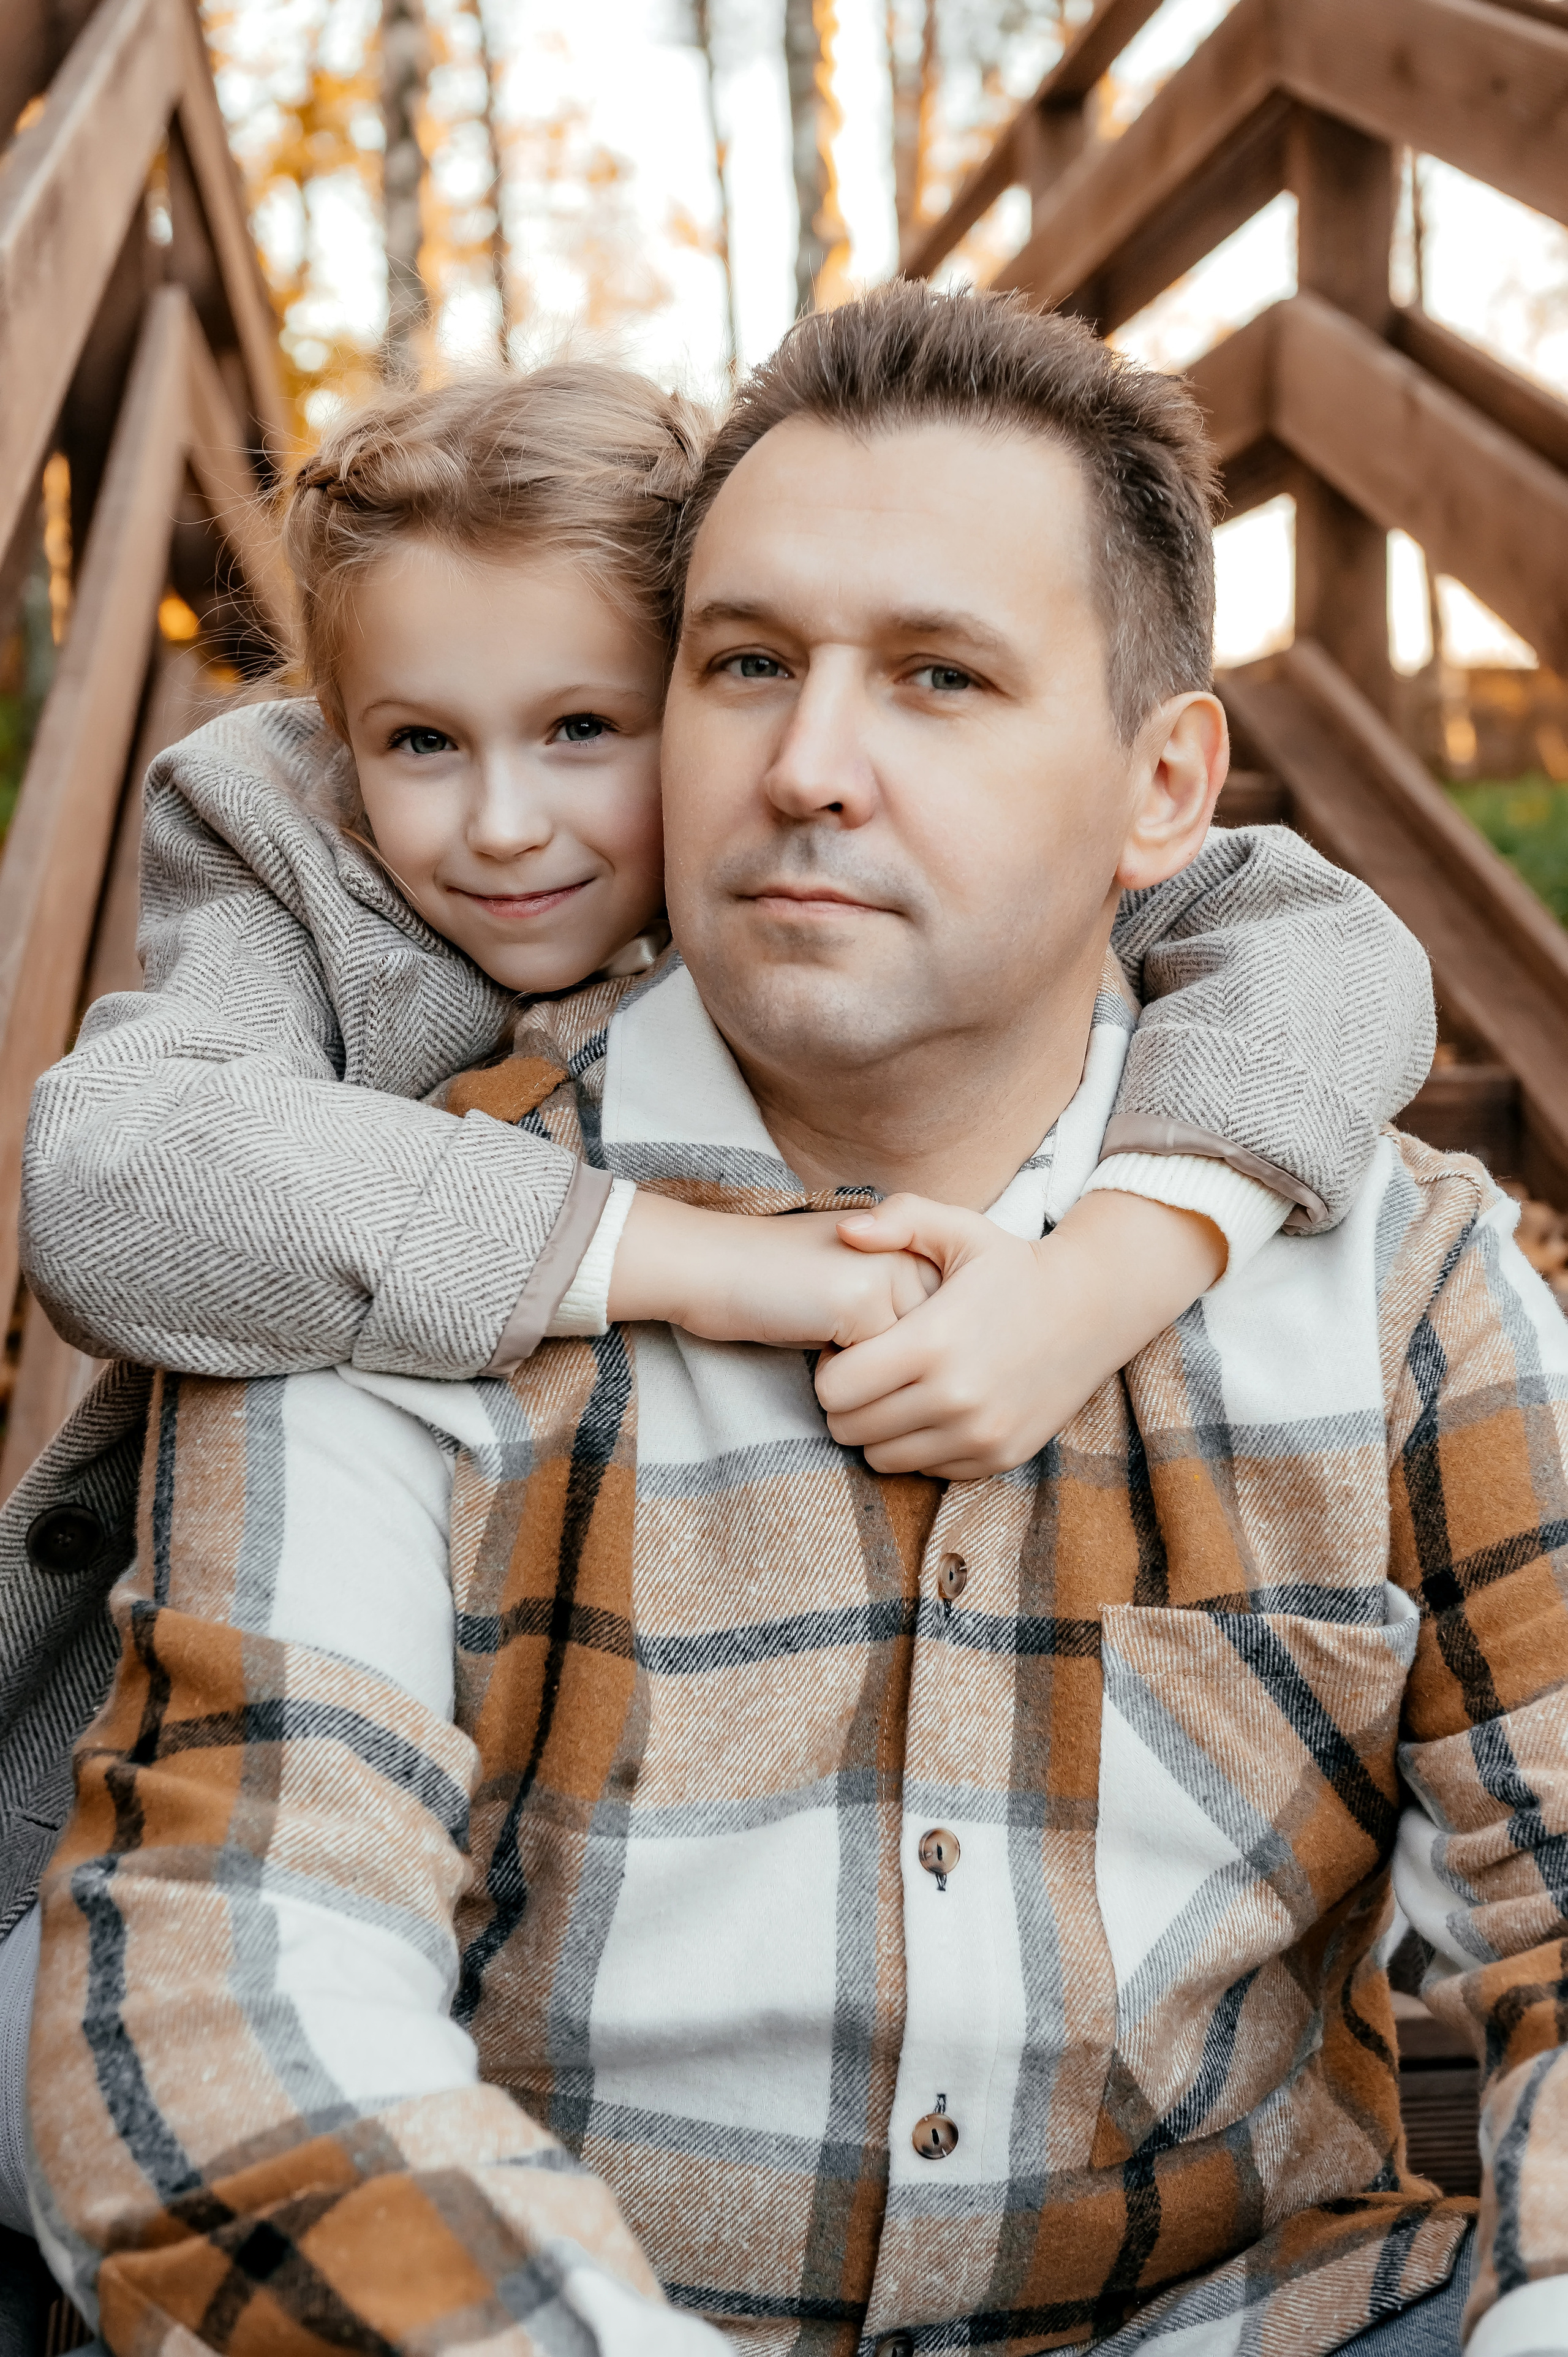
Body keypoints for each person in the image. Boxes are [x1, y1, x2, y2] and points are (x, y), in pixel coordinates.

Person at [24, 282, 1566, 2357]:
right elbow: (244, 1999)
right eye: (746, 665)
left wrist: (1129, 1252)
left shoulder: (1390, 1271)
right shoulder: (366, 1224)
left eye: (941, 676)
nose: (810, 769)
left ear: (1164, 787)